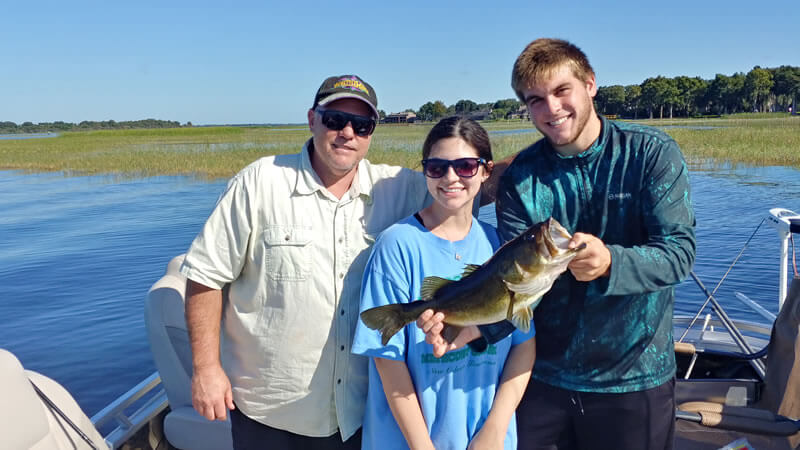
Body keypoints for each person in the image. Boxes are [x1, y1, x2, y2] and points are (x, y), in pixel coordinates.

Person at [418, 38, 696, 450]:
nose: (551, 109)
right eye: (535, 100)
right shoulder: (521, 179)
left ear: (590, 84)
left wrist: (610, 263)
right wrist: (471, 328)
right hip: (543, 380)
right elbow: (513, 284)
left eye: (561, 91)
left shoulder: (650, 154)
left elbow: (679, 254)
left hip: (634, 378)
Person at [179, 74, 434, 449]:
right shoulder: (260, 182)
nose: (348, 132)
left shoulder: (398, 188)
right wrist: (206, 369)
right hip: (269, 413)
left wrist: (550, 143)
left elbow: (469, 182)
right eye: (335, 119)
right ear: (313, 119)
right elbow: (204, 277)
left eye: (362, 125)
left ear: (371, 134)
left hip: (358, 413)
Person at [351, 116, 536, 450]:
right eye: (437, 167)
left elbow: (524, 345)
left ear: (485, 170)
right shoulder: (397, 244)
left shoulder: (501, 248)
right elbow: (386, 359)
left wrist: (496, 428)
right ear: (425, 171)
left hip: (487, 436)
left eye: (465, 166)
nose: (451, 178)